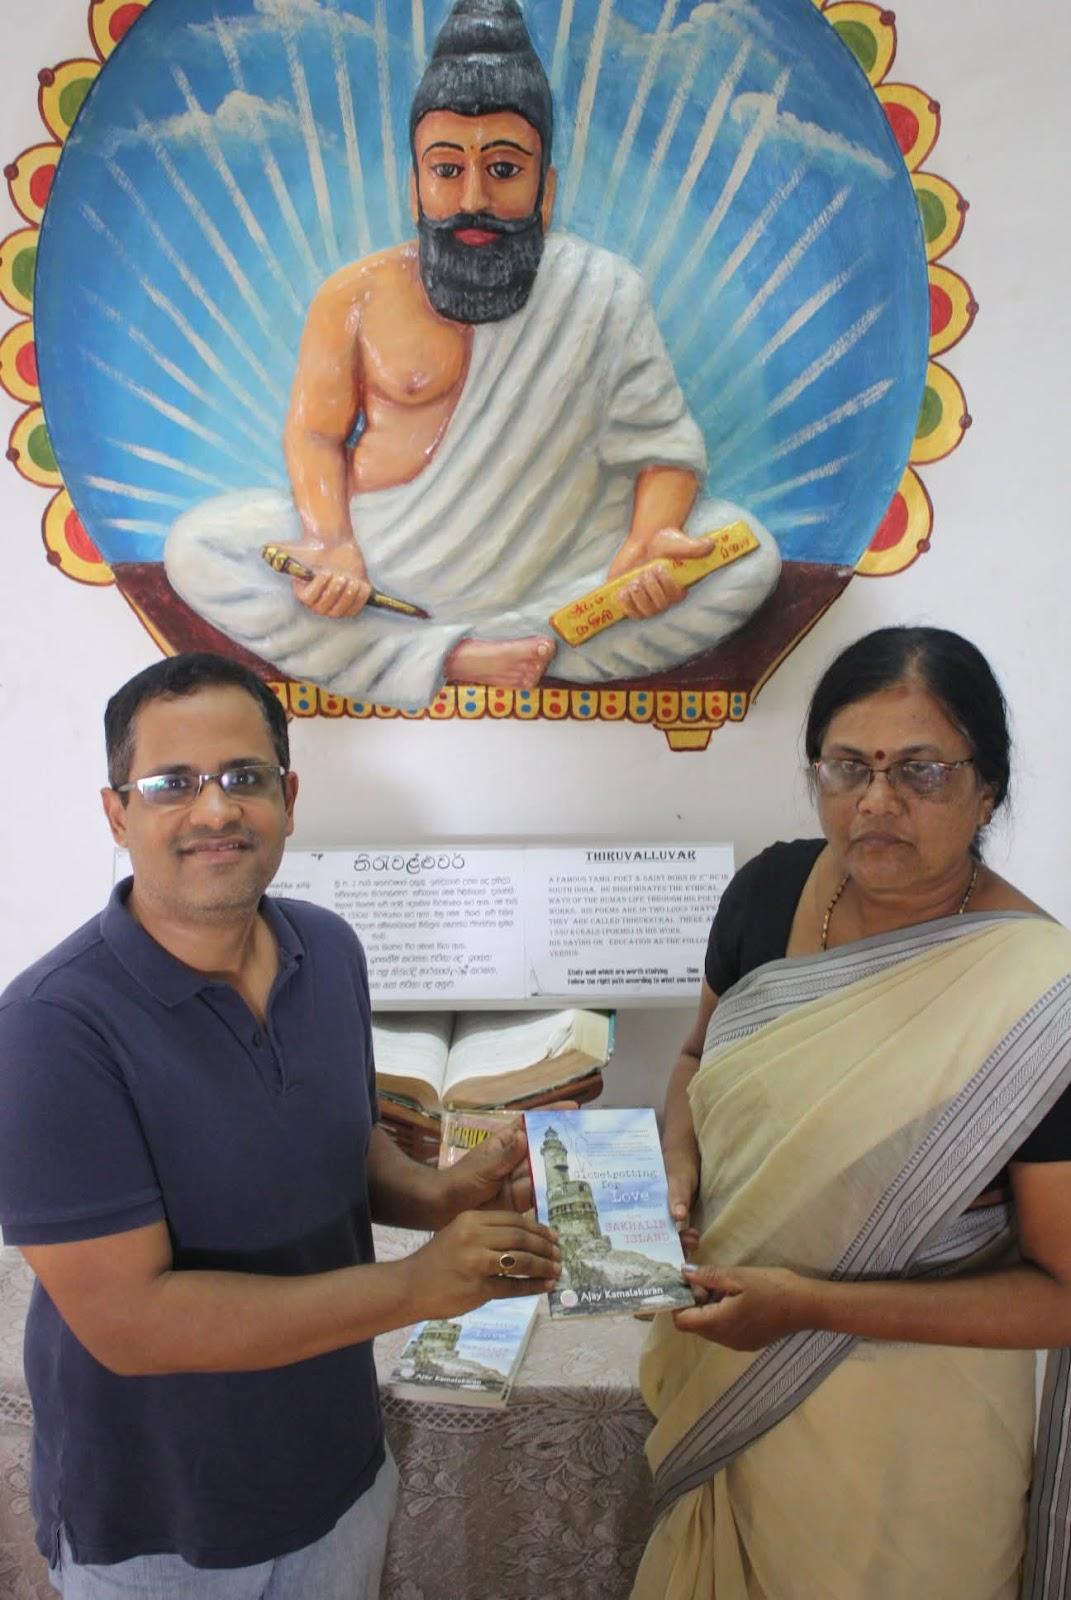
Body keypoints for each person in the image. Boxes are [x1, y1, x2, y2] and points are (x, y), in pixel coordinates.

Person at [0, 651, 560, 1600]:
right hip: (161, 1524)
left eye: (244, 778)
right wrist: (415, 1286)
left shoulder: (325, 948)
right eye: (171, 784)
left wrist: (442, 1194)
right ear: (116, 813)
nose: (215, 810)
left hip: (337, 1470)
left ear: (289, 798)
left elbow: (335, 1148)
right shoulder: (49, 1029)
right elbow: (130, 1324)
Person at [163, 0, 780, 711]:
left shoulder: (602, 290)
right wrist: (330, 543)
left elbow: (663, 447)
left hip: (562, 564)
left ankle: (441, 650)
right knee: (199, 547)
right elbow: (315, 434)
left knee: (747, 551)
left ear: (545, 190)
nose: (473, 197)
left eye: (504, 169)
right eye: (447, 170)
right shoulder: (353, 295)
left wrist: (648, 542)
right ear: (414, 185)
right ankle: (458, 653)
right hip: (387, 562)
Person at [633, 626, 1071, 1600]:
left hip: (916, 1456)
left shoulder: (1041, 1003)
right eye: (846, 767)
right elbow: (700, 1058)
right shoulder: (768, 891)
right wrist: (677, 1154)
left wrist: (811, 1307)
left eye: (921, 770)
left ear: (987, 788)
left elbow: (1062, 1289)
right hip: (725, 1381)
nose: (876, 802)